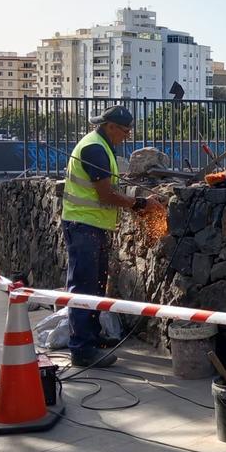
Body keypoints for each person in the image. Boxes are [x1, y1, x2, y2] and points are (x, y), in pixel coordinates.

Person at [62, 106, 163, 368]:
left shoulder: (102, 146)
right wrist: (140, 204)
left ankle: (92, 338)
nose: (127, 136)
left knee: (95, 285)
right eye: (125, 131)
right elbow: (105, 195)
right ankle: (82, 349)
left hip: (92, 226)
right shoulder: (94, 148)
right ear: (110, 126)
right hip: (83, 226)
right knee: (83, 287)